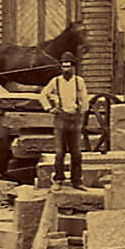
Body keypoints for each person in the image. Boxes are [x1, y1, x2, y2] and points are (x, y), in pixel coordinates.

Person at [40, 56, 90, 189]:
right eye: (64, 66)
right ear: (61, 68)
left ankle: (77, 181)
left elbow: (85, 100)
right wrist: (49, 108)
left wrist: (82, 113)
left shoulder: (79, 82)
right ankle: (58, 180)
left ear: (74, 67)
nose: (66, 69)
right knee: (60, 152)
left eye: (69, 66)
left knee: (76, 153)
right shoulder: (55, 81)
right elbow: (43, 94)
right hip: (60, 119)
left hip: (75, 119)